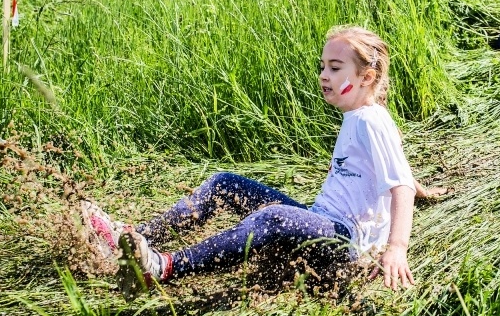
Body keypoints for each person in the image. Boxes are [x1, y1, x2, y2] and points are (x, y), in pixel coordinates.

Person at [81, 26, 448, 301]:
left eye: (335, 68)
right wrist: (422, 188)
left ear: (366, 77)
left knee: (273, 217)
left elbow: (396, 183)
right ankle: (137, 238)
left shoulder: (370, 120)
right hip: (320, 221)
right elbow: (395, 167)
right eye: (323, 66)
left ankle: (163, 267)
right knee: (226, 183)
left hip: (343, 241)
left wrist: (396, 246)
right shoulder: (363, 117)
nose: (323, 75)